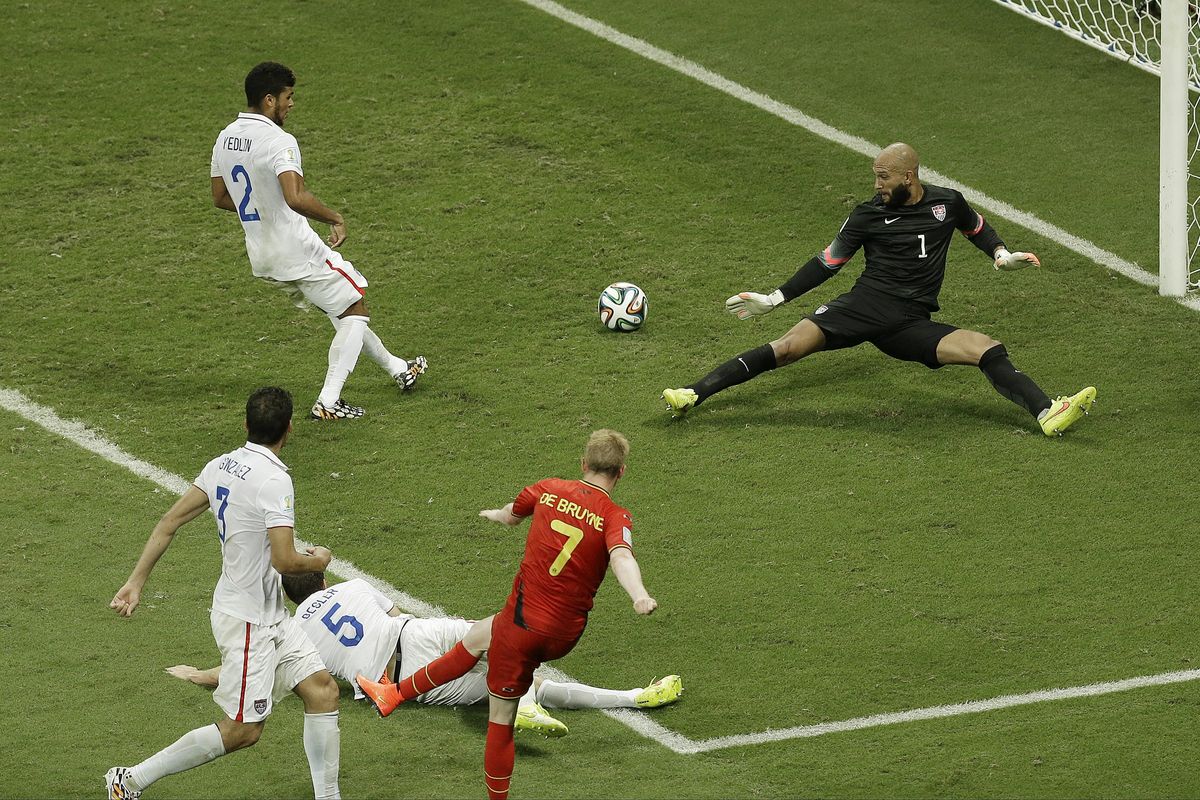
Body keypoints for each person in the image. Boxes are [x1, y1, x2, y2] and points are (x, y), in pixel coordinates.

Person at [661, 142, 1096, 437]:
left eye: (883, 177)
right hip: (864, 305)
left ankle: (1047, 413)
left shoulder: (948, 203)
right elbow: (828, 261)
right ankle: (692, 394)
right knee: (788, 348)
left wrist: (1000, 254)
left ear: (909, 176)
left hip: (908, 322)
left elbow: (975, 227)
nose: (876, 185)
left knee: (985, 347)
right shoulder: (866, 215)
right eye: (875, 176)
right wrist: (775, 298)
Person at [356, 429, 658, 800]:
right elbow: (621, 557)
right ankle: (395, 694)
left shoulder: (547, 489)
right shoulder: (616, 515)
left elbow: (511, 516)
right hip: (564, 634)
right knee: (481, 634)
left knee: (501, 719)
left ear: (583, 463)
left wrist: (495, 515)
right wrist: (639, 595)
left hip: (523, 627)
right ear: (621, 472)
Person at [106, 387, 342, 800]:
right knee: (243, 732)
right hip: (249, 621)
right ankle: (129, 780)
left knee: (322, 689)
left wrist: (135, 581)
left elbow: (168, 523)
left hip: (266, 614)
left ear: (246, 425)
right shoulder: (275, 479)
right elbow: (286, 561)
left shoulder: (221, 466)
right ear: (289, 429)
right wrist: (319, 562)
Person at [166, 574, 682, 737]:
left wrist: (200, 675)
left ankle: (543, 702)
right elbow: (393, 609)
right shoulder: (353, 584)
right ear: (320, 578)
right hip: (418, 634)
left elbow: (253, 667)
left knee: (520, 679)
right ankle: (633, 697)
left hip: (404, 676)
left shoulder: (294, 627)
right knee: (512, 649)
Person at [210, 61, 426, 421]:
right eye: (287, 97)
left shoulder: (225, 137)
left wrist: (263, 211)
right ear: (268, 100)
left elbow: (219, 197)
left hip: (262, 254)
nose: (291, 104)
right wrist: (334, 217)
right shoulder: (279, 141)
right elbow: (295, 197)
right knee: (355, 308)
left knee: (341, 310)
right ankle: (328, 400)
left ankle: (398, 368)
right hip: (296, 248)